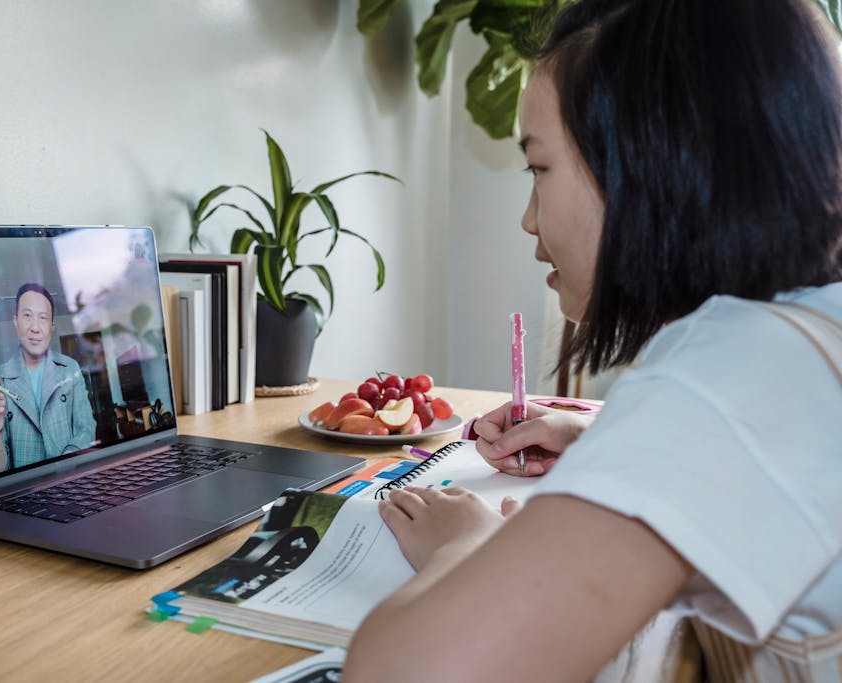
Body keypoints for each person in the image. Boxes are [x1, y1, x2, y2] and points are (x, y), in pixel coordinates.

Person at [344, 0, 842, 680]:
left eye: (538, 169)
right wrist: (606, 451)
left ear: (652, 165)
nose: (528, 220)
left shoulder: (745, 366)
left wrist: (467, 545)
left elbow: (402, 672)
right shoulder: (803, 336)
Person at [0, 282, 96, 474]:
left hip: (71, 481)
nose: (35, 327)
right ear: (16, 321)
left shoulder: (70, 368)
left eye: (43, 318)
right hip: (22, 494)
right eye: (27, 316)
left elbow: (86, 428)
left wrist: (66, 466)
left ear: (52, 327)